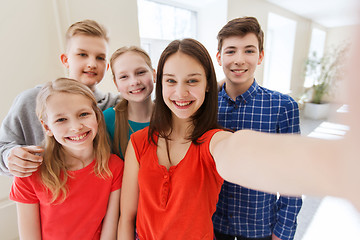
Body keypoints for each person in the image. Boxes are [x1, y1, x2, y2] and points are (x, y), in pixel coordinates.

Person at [212, 17, 302, 240]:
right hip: (212, 223)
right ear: (219, 57)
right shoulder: (206, 106)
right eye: (230, 51)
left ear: (260, 56)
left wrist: (283, 232)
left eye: (249, 51)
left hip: (259, 227)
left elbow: (294, 175)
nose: (239, 60)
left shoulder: (282, 107)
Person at [0, 19, 119, 177]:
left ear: (107, 66)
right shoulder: (30, 100)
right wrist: (9, 157)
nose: (92, 63)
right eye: (82, 54)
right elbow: (3, 146)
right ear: (65, 60)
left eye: (100, 58)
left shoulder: (116, 105)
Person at [9, 78, 124, 240]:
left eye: (83, 114)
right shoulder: (30, 172)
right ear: (47, 127)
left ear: (97, 116)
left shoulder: (114, 167)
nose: (76, 127)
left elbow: (109, 229)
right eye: (61, 119)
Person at [103, 46, 155, 159]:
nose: (134, 82)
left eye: (141, 72)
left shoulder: (172, 115)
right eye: (124, 76)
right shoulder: (107, 119)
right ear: (116, 84)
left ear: (154, 75)